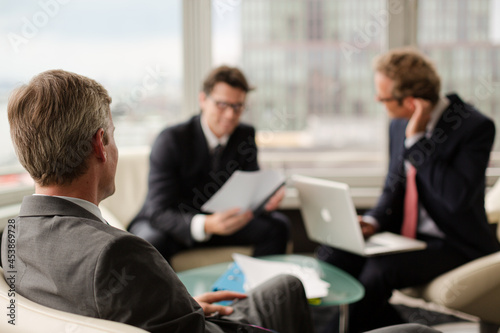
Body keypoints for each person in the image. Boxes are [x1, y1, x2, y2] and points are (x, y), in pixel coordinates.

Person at [1, 69, 314, 333]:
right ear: (101, 145)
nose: (231, 114)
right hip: (185, 247)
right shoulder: (120, 252)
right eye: (113, 133)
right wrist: (188, 311)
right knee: (286, 287)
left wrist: (183, 306)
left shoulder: (10, 238)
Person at [317, 48, 500, 332]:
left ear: (411, 102)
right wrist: (373, 221)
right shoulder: (397, 124)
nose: (378, 101)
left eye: (384, 97)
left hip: (455, 243)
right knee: (333, 253)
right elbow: (394, 187)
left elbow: (456, 198)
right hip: (405, 239)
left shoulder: (474, 127)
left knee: (377, 274)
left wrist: (417, 143)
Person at [128, 65, 290, 261]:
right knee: (150, 242)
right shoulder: (171, 140)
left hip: (224, 223)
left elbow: (251, 189)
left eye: (238, 106)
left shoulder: (245, 136)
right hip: (175, 225)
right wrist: (205, 224)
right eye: (222, 105)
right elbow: (158, 212)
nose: (230, 115)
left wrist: (266, 200)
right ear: (203, 100)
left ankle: (256, 288)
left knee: (279, 226)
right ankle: (173, 293)